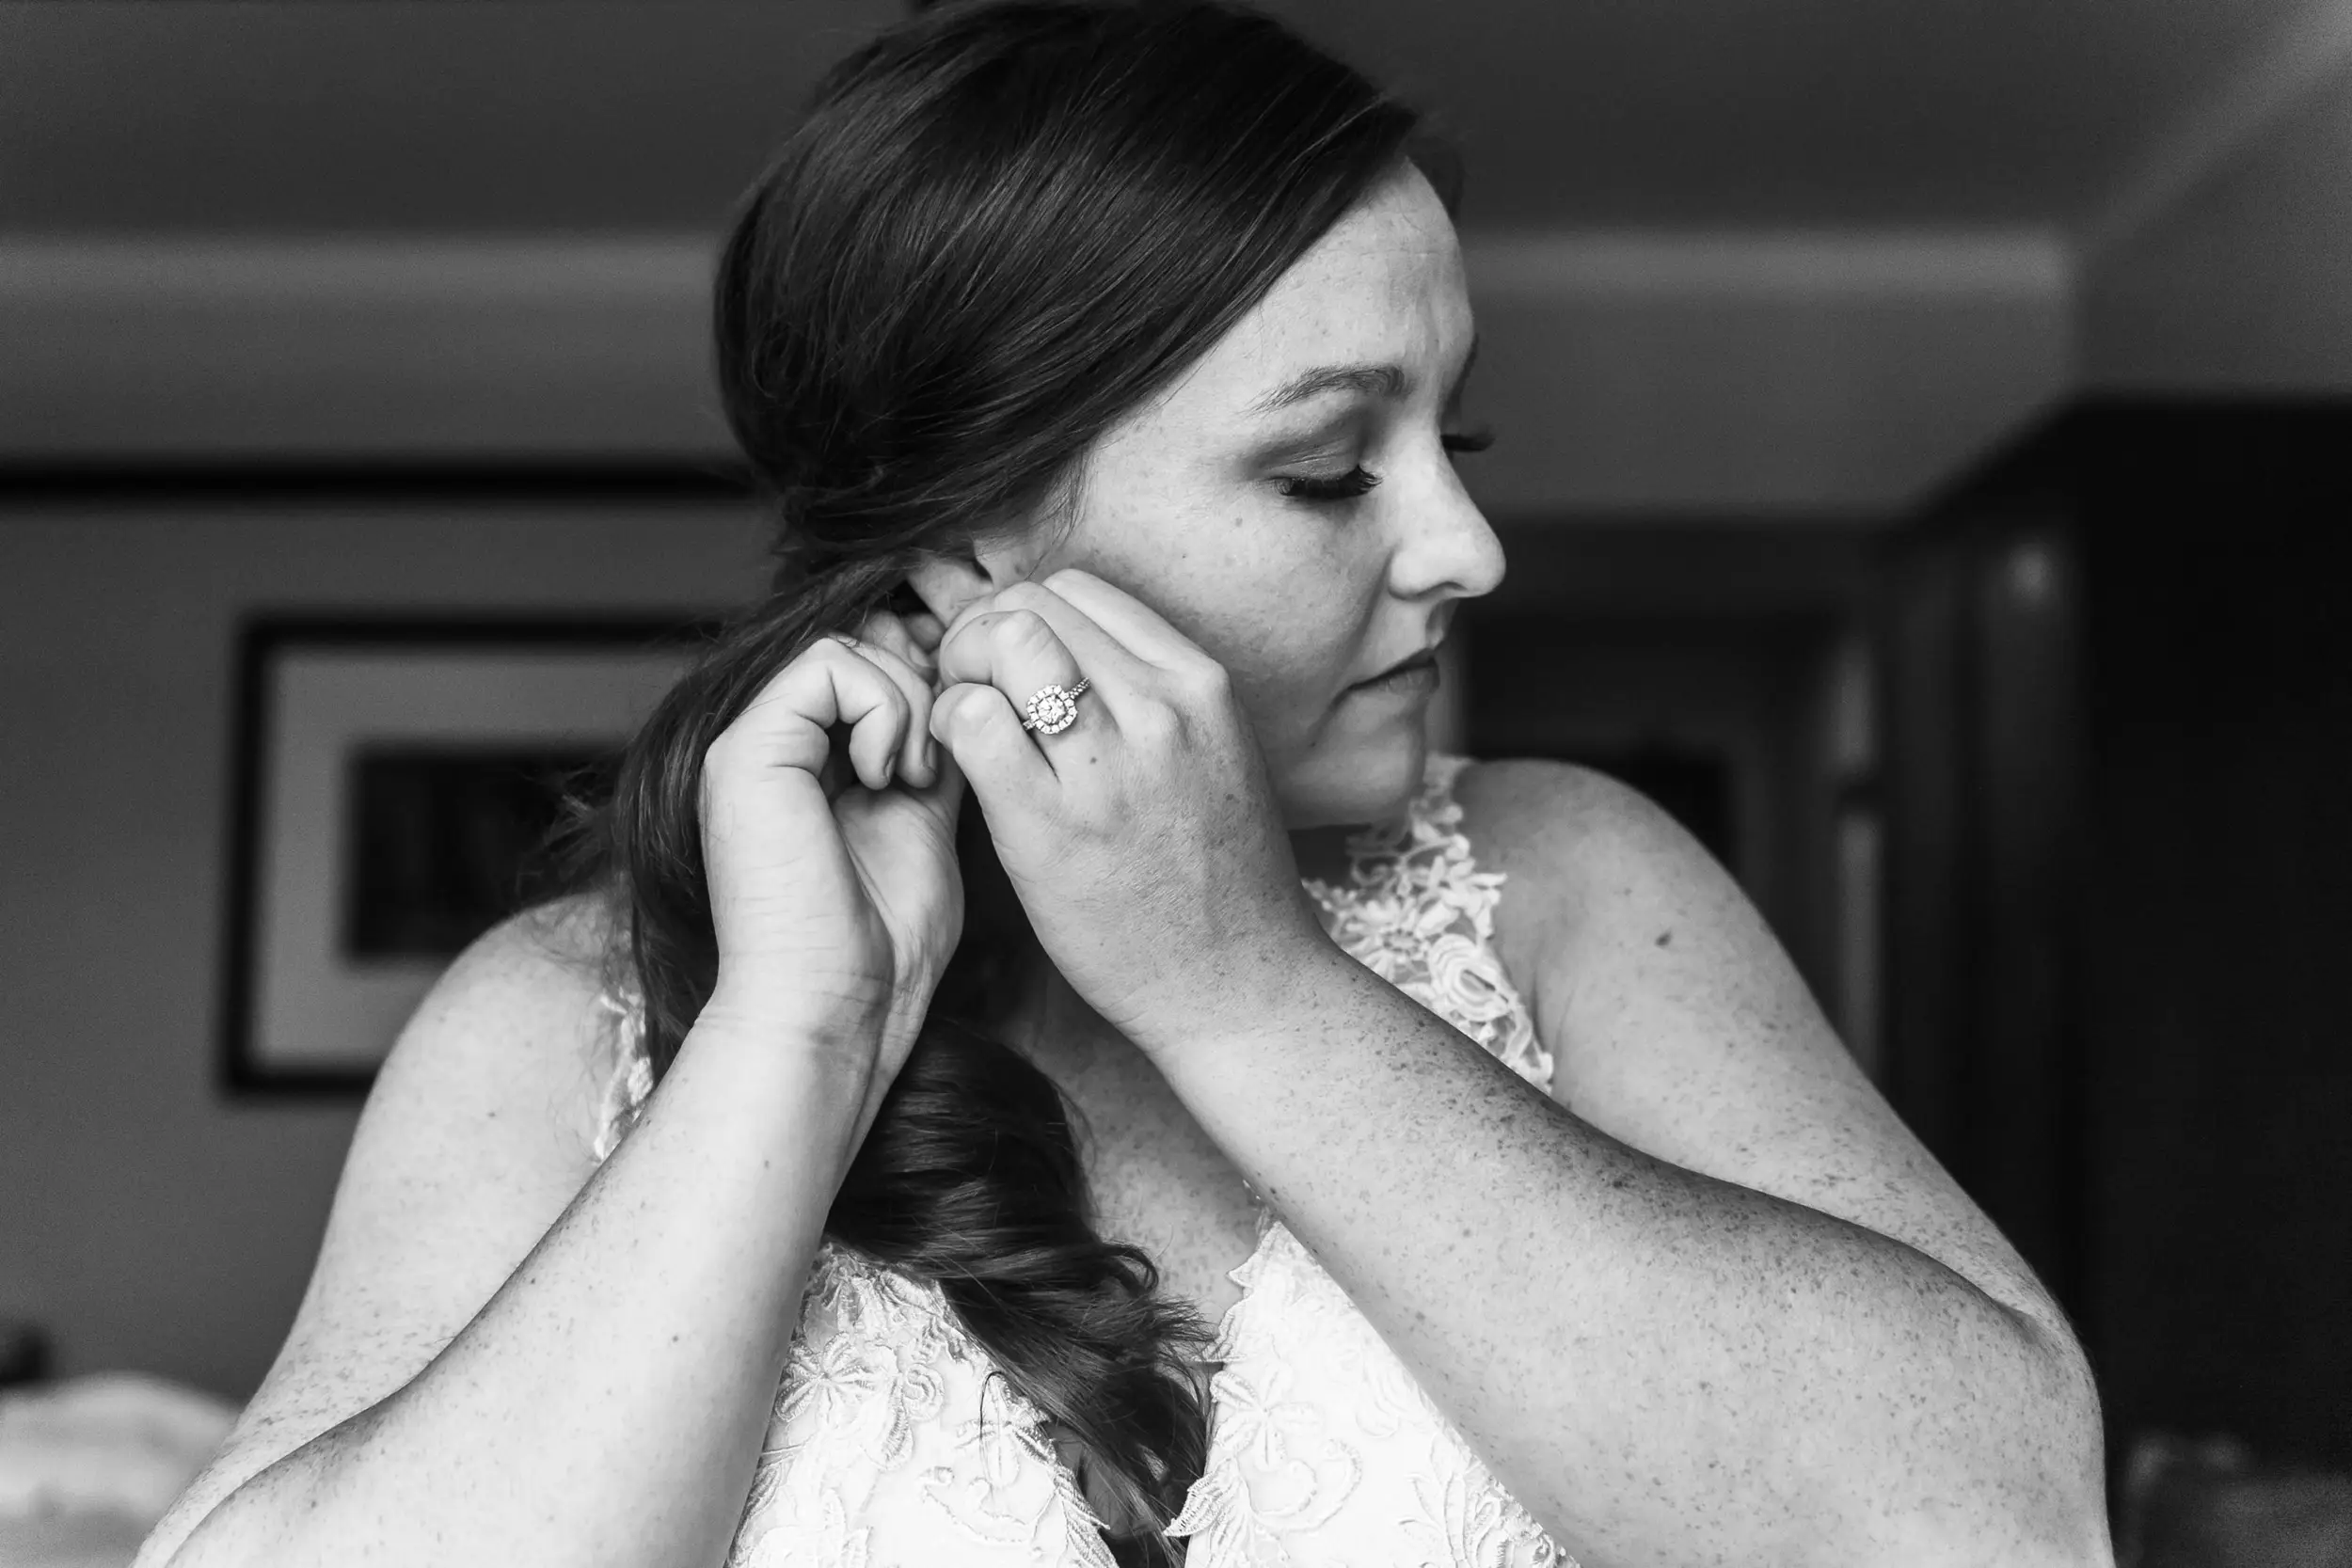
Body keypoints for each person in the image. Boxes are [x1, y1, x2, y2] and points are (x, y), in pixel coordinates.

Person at [135, 3, 2115, 1565]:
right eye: (1331, 465)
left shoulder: (1568, 883)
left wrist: (1243, 980)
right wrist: (798, 1038)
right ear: (974, 549)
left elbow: (1995, 1524)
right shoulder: (557, 1017)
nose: (1463, 545)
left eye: (1458, 430)